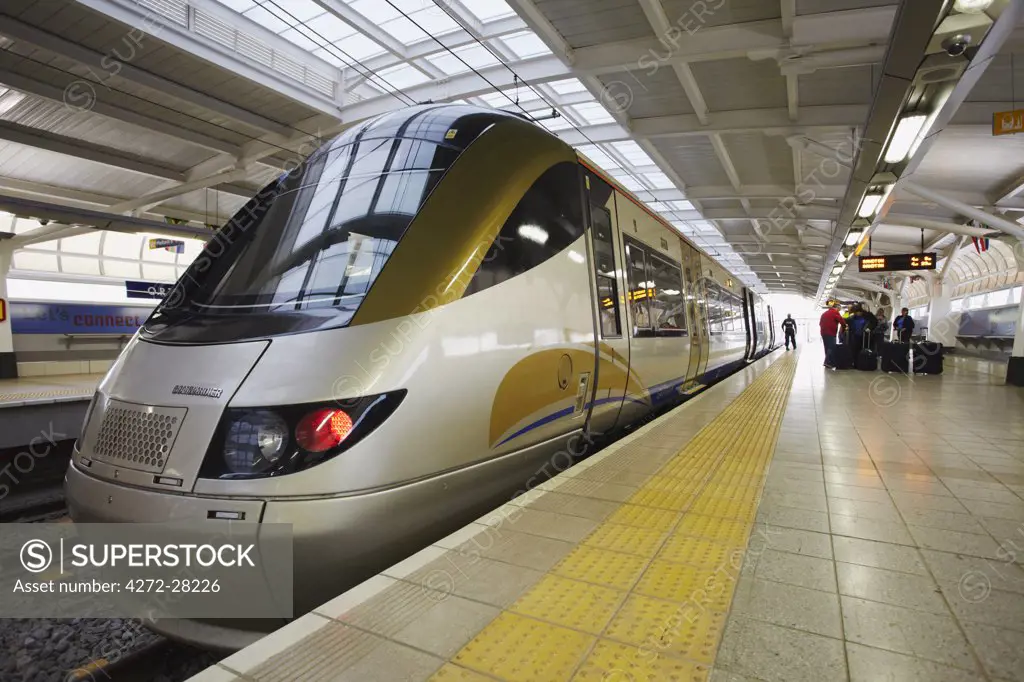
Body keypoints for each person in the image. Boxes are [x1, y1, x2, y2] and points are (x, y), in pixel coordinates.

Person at [819, 302, 847, 368]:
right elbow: (841, 321)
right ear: (837, 307)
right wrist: (844, 327)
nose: (839, 310)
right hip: (830, 333)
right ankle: (827, 362)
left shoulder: (824, 313)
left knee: (827, 347)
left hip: (823, 333)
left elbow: (820, 323)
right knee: (831, 347)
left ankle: (829, 363)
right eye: (839, 309)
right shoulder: (835, 312)